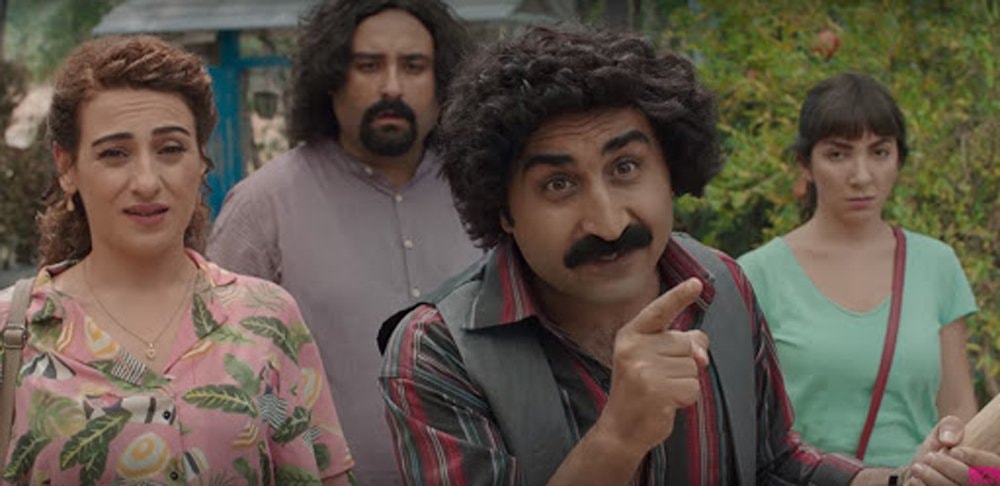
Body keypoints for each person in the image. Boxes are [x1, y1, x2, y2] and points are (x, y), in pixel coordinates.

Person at [377, 27, 1000, 485]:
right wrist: (618, 438)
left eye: (626, 167)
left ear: (671, 171)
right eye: (558, 184)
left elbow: (775, 463)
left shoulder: (721, 285)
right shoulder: (438, 351)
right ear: (503, 209)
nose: (609, 221)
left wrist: (893, 480)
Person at [0, 36, 352, 485]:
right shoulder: (16, 332)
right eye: (114, 153)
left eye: (170, 149)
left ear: (201, 160)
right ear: (67, 167)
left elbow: (319, 468)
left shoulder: (266, 318)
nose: (147, 181)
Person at [206, 1, 480, 483]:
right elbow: (222, 378)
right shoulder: (263, 206)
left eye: (413, 66)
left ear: (444, 81)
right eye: (368, 65)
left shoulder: (485, 192)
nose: (391, 86)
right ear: (330, 78)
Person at [737, 73, 979, 467]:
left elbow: (958, 408)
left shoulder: (937, 264)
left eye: (879, 152)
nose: (862, 176)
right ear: (805, 163)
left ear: (899, 158)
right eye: (838, 154)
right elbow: (740, 424)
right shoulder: (755, 275)